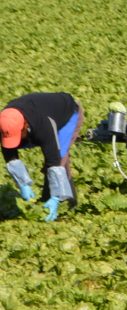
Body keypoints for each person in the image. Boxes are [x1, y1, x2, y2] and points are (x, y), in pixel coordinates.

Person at [2, 92, 83, 222]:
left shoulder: (43, 125)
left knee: (60, 157)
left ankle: (66, 202)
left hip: (68, 114)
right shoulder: (6, 122)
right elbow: (10, 155)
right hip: (40, 113)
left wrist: (56, 196)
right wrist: (23, 184)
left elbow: (54, 161)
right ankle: (48, 198)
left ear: (25, 126)